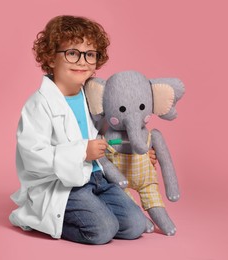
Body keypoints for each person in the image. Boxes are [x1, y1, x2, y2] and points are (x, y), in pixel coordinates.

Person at [9, 15, 154, 245]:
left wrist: (139, 151)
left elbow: (105, 138)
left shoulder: (91, 97)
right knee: (103, 231)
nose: (83, 61)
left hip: (97, 177)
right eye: (72, 53)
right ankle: (40, 219)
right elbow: (32, 157)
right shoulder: (39, 104)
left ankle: (97, 211)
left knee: (135, 225)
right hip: (64, 185)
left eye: (90, 54)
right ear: (51, 58)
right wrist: (81, 153)